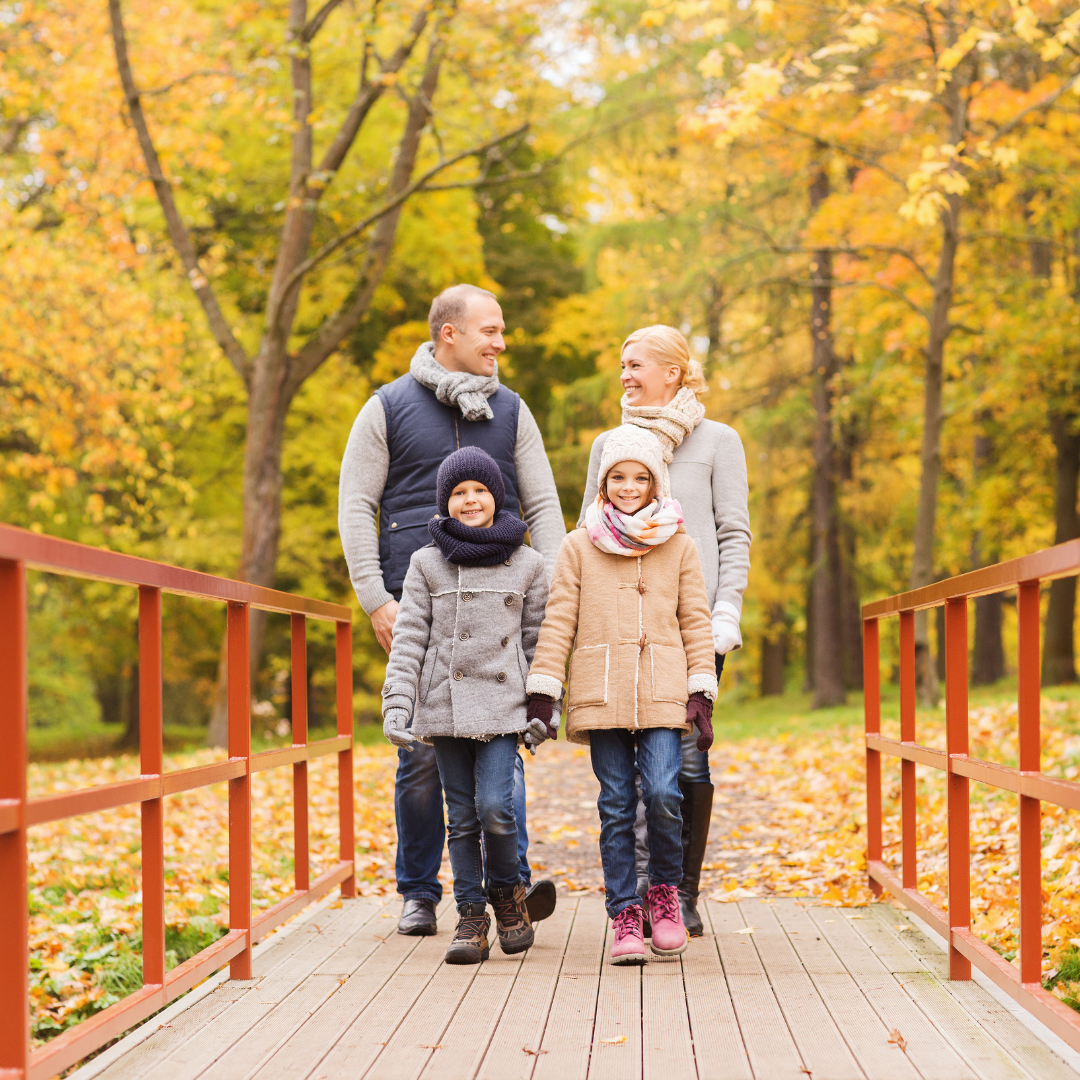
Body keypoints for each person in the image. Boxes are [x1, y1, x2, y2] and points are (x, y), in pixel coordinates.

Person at [339, 284, 565, 936]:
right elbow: (358, 504)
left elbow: (544, 507)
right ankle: (419, 889)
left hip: (502, 604)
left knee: (503, 740)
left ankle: (509, 885)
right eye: (490, 330)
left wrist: (550, 592)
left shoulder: (513, 411)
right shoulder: (386, 409)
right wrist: (376, 598)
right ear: (450, 334)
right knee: (421, 752)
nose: (500, 342)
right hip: (420, 601)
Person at [578, 325, 751, 936]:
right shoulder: (610, 444)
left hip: (691, 630)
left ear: (673, 372)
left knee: (685, 764)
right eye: (621, 365)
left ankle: (679, 891)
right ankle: (638, 896)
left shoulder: (718, 441)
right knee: (626, 774)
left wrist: (726, 609)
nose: (625, 375)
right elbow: (586, 534)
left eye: (636, 365)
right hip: (619, 632)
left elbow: (733, 534)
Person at [527, 426, 717, 964]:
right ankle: (625, 913)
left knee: (662, 792)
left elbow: (696, 623)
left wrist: (701, 691)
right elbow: (558, 619)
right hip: (600, 688)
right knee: (615, 803)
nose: (629, 487)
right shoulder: (577, 546)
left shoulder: (679, 545)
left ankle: (664, 895)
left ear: (656, 483)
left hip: (662, 690)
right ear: (603, 484)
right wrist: (546, 690)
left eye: (640, 477)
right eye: (618, 478)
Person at [382, 447, 556, 963]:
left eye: (480, 490)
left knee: (497, 810)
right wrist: (398, 703)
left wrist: (544, 708)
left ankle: (507, 896)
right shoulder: (426, 563)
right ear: (445, 502)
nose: (470, 499)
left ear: (496, 497)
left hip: (504, 707)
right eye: (459, 492)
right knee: (460, 819)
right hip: (445, 708)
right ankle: (472, 916)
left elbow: (538, 641)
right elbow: (410, 638)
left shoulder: (528, 563)